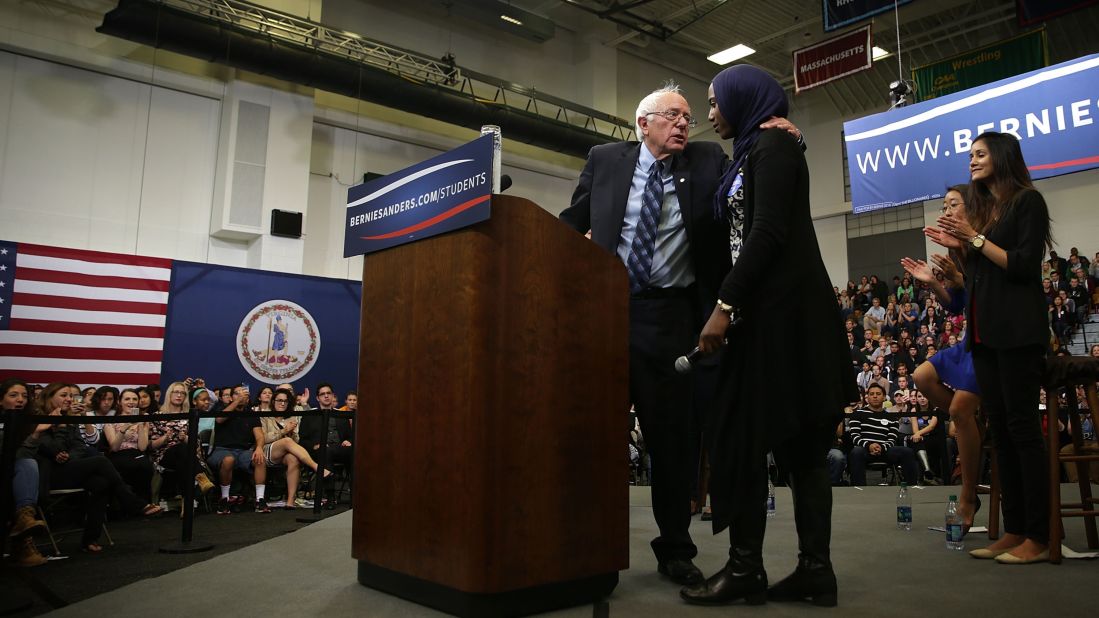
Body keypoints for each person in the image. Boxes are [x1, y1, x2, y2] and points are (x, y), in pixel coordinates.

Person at [681, 64, 855, 607]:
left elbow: (768, 231)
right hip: (764, 322)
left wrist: (724, 306)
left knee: (795, 447)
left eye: (714, 101)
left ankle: (798, 570)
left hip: (787, 322)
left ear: (742, 99)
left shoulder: (774, 148)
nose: (709, 113)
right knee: (746, 442)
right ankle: (761, 569)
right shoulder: (753, 150)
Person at [927, 131, 1052, 564]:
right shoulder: (989, 212)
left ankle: (1038, 534)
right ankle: (1014, 528)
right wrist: (959, 250)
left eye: (979, 154)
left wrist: (973, 240)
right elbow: (979, 277)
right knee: (1001, 432)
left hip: (1018, 334)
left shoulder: (1027, 202)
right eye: (970, 155)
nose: (972, 162)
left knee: (1022, 433)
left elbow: (1020, 265)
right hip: (986, 336)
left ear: (1001, 156)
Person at [901, 186, 984, 531]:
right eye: (944, 205)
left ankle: (968, 494)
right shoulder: (958, 248)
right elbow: (956, 305)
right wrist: (934, 283)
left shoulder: (982, 239)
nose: (947, 211)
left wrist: (959, 273)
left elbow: (986, 291)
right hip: (967, 343)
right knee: (921, 376)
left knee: (959, 412)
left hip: (990, 342)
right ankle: (968, 422)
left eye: (954, 205)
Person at [35, 382, 162, 552]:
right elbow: (49, 447)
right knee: (100, 461)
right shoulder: (39, 418)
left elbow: (80, 446)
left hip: (70, 466)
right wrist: (62, 431)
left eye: (70, 396)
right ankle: (133, 502)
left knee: (101, 483)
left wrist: (67, 455)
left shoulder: (68, 418)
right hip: (48, 473)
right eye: (63, 395)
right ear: (49, 398)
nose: (69, 399)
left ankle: (90, 539)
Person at [2, 378, 49, 566]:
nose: (20, 399)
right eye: (13, 395)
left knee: (28, 465)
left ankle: (25, 521)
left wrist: (36, 435)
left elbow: (20, 455)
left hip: (15, 470)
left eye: (24, 396)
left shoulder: (29, 422)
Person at [260, 390, 332, 509]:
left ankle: (290, 500)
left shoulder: (292, 417)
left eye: (285, 401)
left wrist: (292, 433)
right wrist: (283, 431)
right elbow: (263, 438)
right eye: (279, 400)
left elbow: (297, 440)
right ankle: (317, 468)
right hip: (267, 451)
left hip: (287, 453)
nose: (282, 403)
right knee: (287, 442)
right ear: (273, 401)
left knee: (293, 458)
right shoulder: (265, 415)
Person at [207, 385, 270, 514]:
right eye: (237, 394)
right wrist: (236, 402)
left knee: (260, 458)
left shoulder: (251, 414)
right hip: (222, 450)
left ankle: (260, 499)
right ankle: (224, 499)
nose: (241, 396)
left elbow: (259, 435)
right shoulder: (222, 408)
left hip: (243, 451)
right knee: (229, 460)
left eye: (244, 394)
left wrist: (258, 448)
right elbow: (219, 419)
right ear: (231, 397)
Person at [103, 388, 154, 503]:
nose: (131, 402)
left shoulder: (144, 421)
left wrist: (141, 424)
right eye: (127, 399)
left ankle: (144, 503)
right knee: (131, 465)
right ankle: (132, 504)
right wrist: (124, 429)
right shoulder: (111, 420)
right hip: (118, 455)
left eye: (134, 399)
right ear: (120, 402)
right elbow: (114, 447)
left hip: (136, 453)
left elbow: (142, 447)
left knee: (145, 465)